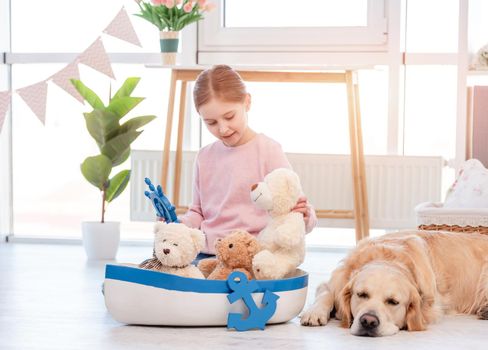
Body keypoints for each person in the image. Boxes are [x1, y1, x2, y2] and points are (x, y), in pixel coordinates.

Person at [176, 64, 317, 258]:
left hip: (255, 254)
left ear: (247, 102)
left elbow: (292, 205)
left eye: (229, 116)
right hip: (211, 254)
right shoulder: (204, 157)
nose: (223, 129)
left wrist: (306, 216)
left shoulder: (269, 150)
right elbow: (198, 212)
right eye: (211, 123)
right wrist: (180, 224)